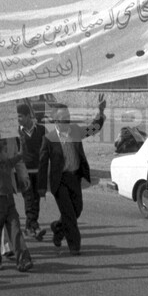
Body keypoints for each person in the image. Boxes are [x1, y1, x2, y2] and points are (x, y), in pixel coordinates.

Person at [38, 97, 106, 254]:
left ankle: (58, 228)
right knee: (68, 213)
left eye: (68, 119)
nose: (66, 122)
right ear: (55, 120)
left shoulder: (75, 130)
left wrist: (100, 112)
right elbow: (42, 164)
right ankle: (74, 246)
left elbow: (93, 129)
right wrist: (42, 188)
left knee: (77, 209)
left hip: (74, 177)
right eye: (63, 120)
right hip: (59, 181)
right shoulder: (49, 139)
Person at [0, 136, 32, 272]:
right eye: (5, 151)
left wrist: (21, 139)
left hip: (9, 202)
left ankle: (23, 259)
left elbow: (21, 154)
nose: (7, 153)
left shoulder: (8, 163)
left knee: (16, 230)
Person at [17, 103, 46, 240]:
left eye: (21, 117)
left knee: (36, 200)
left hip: (38, 171)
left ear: (28, 116)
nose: (19, 119)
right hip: (24, 172)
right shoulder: (16, 133)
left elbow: (46, 149)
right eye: (17, 117)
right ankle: (35, 226)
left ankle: (29, 228)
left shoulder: (41, 130)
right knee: (29, 200)